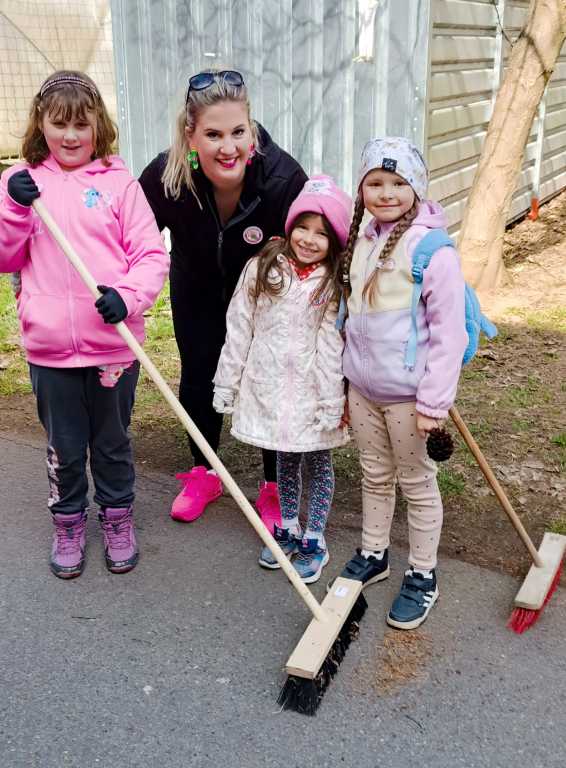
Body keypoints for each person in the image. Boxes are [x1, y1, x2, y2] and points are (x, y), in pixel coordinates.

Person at [0, 71, 169, 578]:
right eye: (60, 124)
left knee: (112, 443)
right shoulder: (22, 184)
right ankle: (68, 523)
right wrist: (14, 208)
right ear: (41, 124)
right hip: (50, 349)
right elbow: (6, 258)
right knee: (65, 448)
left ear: (99, 125)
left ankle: (117, 519)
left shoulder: (120, 184)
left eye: (82, 123)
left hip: (111, 346)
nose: (71, 135)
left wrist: (127, 297)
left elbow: (150, 255)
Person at [139, 69, 308, 527]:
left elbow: (315, 244)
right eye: (213, 134)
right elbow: (130, 237)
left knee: (266, 380)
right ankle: (204, 471)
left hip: (263, 298)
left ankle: (274, 486)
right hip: (196, 287)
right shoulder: (167, 176)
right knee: (199, 375)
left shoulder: (282, 178)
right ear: (190, 135)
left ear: (251, 130)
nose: (228, 147)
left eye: (238, 132)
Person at [337, 137, 468, 627]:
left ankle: (422, 573)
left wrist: (434, 403)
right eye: (375, 182)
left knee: (417, 483)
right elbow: (350, 317)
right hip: (364, 390)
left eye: (398, 182)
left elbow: (449, 335)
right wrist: (346, 384)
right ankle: (374, 553)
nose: (386, 192)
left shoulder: (432, 251)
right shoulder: (361, 241)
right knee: (374, 474)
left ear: (417, 187)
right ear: (362, 189)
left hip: (409, 398)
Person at [213, 176, 351, 582]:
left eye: (321, 233)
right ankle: (287, 528)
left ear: (334, 240)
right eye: (303, 227)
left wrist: (332, 401)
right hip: (270, 386)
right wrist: (227, 382)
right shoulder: (262, 268)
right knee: (284, 461)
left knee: (318, 463)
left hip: (312, 391)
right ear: (290, 226)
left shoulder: (331, 282)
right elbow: (240, 325)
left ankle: (314, 538)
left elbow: (331, 345)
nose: (309, 239)